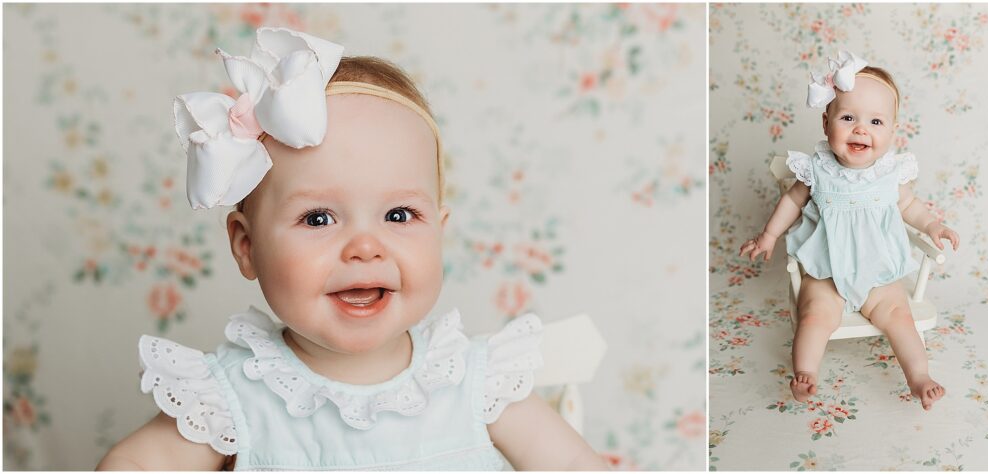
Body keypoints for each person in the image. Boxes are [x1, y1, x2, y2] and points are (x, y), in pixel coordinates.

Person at [97, 26, 606, 470]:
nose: (365, 247)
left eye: (399, 216)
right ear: (246, 247)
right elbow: (136, 462)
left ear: (439, 230)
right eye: (318, 218)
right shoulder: (234, 395)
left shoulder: (474, 381)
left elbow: (571, 462)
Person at [739, 51, 960, 411]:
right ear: (826, 123)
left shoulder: (890, 173)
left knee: (900, 317)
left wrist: (934, 224)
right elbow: (792, 203)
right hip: (826, 271)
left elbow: (909, 207)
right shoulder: (817, 169)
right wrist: (768, 236)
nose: (861, 129)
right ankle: (805, 373)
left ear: (892, 131)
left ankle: (920, 377)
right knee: (814, 316)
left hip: (877, 272)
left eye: (875, 121)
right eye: (848, 117)